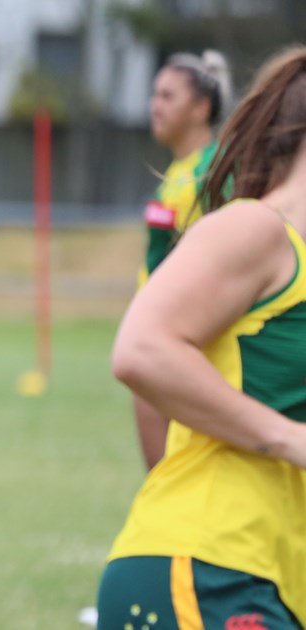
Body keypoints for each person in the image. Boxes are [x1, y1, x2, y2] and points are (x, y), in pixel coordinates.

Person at [97, 46, 306, 630]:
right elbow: (142, 349)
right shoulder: (256, 229)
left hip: (267, 581)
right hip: (206, 570)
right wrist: (289, 438)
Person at [131, 50, 232, 470]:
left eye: (168, 96)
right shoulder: (178, 170)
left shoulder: (214, 170)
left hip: (181, 343)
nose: (155, 105)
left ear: (201, 108)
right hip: (156, 337)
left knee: (173, 479)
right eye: (154, 94)